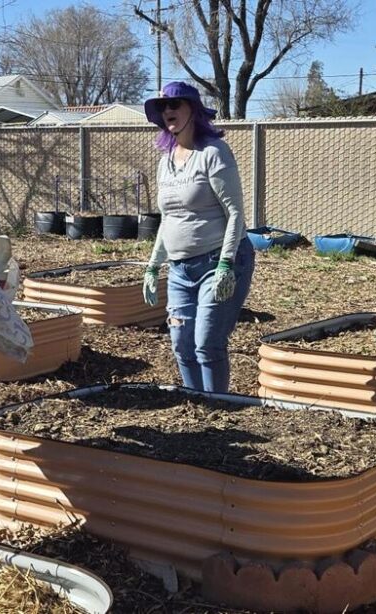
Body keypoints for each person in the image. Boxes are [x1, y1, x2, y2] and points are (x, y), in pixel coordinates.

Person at [140, 81, 254, 394]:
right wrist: (153, 266)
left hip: (218, 262)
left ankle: (218, 406)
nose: (168, 112)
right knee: (181, 344)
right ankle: (198, 405)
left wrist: (226, 264)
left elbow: (235, 213)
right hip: (180, 270)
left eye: (175, 105)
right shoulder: (165, 161)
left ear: (193, 109)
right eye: (163, 107)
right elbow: (169, 219)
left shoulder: (213, 153)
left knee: (206, 344)